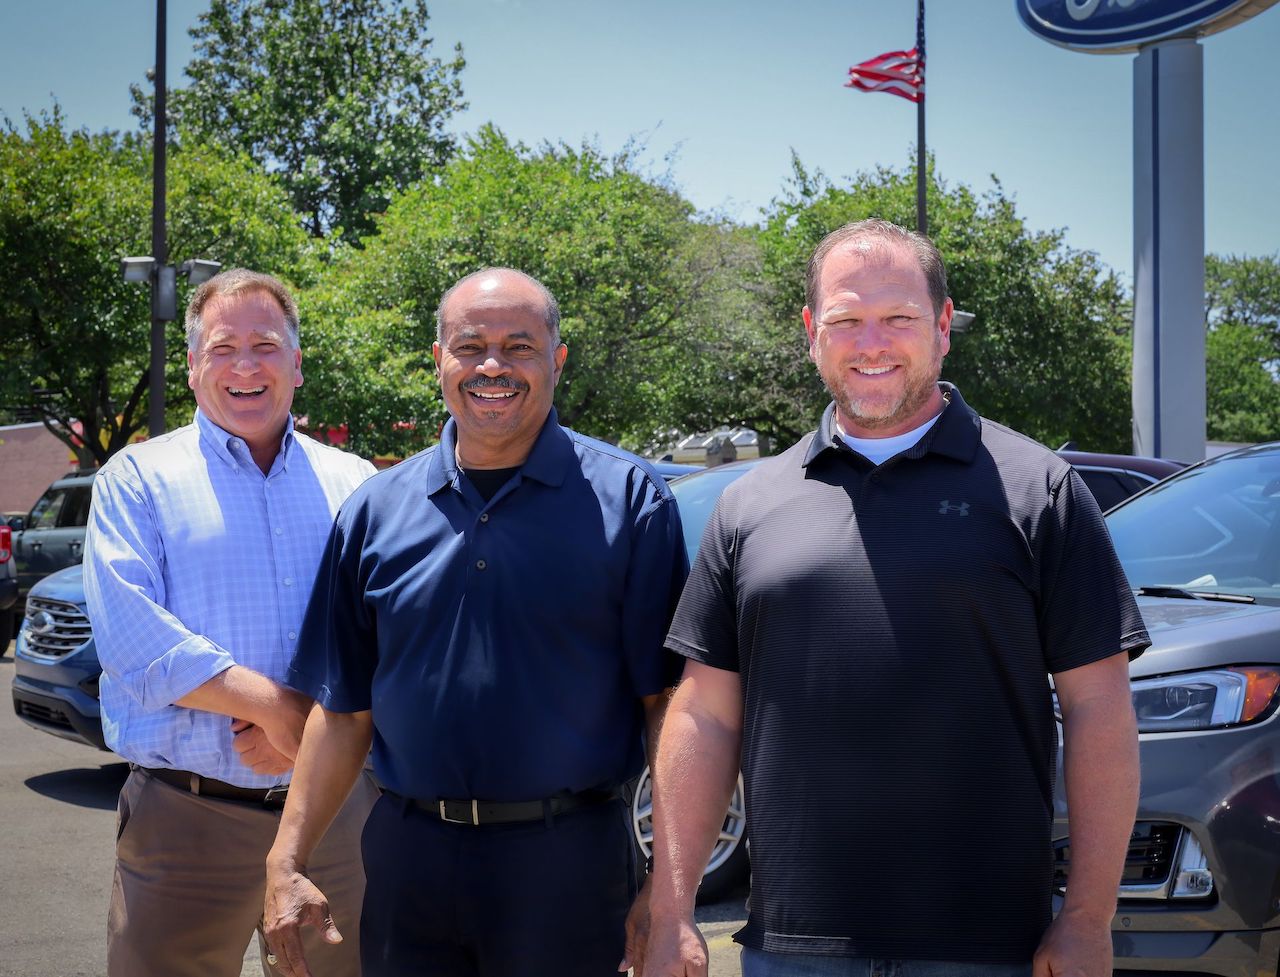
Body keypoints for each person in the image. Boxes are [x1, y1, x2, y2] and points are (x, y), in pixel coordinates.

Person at [642, 219, 1146, 977]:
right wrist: (672, 909)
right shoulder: (749, 505)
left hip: (989, 948)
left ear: (943, 328)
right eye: (846, 320)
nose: (871, 342)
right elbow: (705, 714)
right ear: (813, 332)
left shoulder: (1038, 489)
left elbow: (1099, 707)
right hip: (791, 947)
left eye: (899, 318)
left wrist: (1087, 917)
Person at [263, 267, 689, 977]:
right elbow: (341, 712)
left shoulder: (630, 501)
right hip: (408, 862)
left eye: (518, 346)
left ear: (556, 359)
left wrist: (671, 893)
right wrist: (285, 858)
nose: (492, 365)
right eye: (471, 346)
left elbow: (670, 708)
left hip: (569, 866)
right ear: (439, 360)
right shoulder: (373, 513)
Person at [83, 269, 380, 977]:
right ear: (191, 366)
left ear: (297, 363)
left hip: (338, 820)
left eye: (266, 345)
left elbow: (389, 631)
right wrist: (275, 709)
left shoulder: (357, 483)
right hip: (187, 821)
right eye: (222, 347)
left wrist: (306, 737)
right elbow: (132, 636)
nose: (245, 365)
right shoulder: (135, 479)